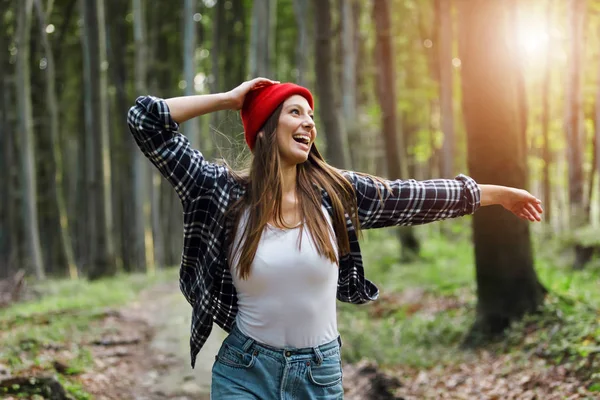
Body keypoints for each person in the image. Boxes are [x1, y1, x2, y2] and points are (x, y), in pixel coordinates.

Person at [127, 78, 543, 399]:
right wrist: (230, 100)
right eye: (294, 112)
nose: (308, 122)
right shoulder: (221, 191)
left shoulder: (334, 194)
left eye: (310, 116)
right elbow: (146, 120)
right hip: (245, 370)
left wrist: (495, 194)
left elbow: (411, 196)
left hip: (318, 375)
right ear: (267, 127)